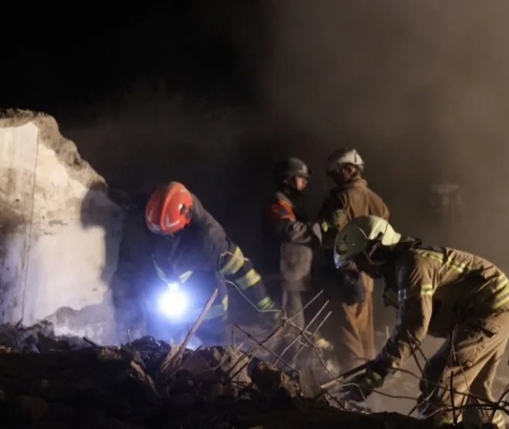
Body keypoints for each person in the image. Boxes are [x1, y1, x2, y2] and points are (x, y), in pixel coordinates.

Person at [334, 215, 509, 428]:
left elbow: (413, 327)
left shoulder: (412, 265)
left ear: (375, 246)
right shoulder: (403, 269)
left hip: (490, 309)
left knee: (444, 382)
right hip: (489, 310)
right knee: (466, 387)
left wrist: (378, 371)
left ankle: (438, 421)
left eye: (359, 258)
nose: (358, 267)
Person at [145, 181, 280, 344]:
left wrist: (265, 305)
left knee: (214, 354)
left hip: (210, 310)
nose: (164, 240)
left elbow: (242, 270)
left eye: (169, 234)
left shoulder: (211, 241)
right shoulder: (163, 214)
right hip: (174, 305)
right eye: (161, 235)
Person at [317, 148, 391, 372]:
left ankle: (353, 378)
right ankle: (368, 375)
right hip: (367, 272)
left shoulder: (341, 198)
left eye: (337, 173)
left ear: (350, 170)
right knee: (364, 327)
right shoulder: (376, 200)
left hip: (345, 271)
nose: (334, 179)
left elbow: (336, 234)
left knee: (345, 327)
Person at [261, 157, 325, 330]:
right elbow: (288, 229)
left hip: (296, 277)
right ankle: (285, 358)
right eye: (300, 177)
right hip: (285, 277)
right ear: (287, 179)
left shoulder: (292, 204)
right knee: (291, 328)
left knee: (299, 327)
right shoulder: (277, 202)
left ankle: (298, 357)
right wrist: (322, 227)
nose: (305, 181)